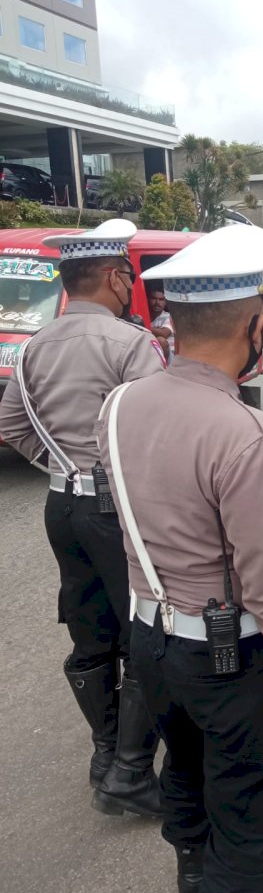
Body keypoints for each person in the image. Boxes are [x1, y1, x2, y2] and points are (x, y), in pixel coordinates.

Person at [99, 223, 263, 893]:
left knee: (188, 767)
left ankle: (193, 880)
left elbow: (154, 506)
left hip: (150, 643)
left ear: (174, 320)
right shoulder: (243, 431)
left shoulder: (121, 406)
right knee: (245, 812)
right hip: (227, 660)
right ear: (254, 324)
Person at [0, 219, 166, 816]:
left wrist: (65, 465)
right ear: (112, 276)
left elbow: (11, 425)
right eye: (127, 275)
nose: (130, 285)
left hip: (61, 505)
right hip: (116, 508)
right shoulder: (131, 344)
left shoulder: (34, 348)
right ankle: (129, 770)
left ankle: (104, 750)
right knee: (146, 632)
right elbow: (155, 434)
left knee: (90, 627)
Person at [146, 278, 176, 362]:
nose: (157, 302)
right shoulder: (143, 315)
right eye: (153, 298)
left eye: (161, 299)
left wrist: (142, 327)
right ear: (148, 299)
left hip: (169, 360)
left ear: (165, 302)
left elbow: (164, 333)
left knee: (161, 340)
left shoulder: (168, 316)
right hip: (150, 356)